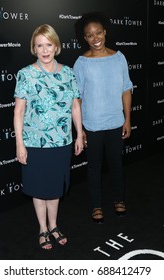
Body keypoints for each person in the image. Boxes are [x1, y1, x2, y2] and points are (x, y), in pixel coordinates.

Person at [13, 24, 83, 249]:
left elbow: (75, 107)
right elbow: (19, 112)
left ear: (56, 46)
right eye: (39, 45)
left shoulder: (68, 72)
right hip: (35, 143)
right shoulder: (26, 74)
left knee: (54, 188)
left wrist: (80, 134)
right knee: (38, 188)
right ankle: (42, 228)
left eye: (48, 44)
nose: (45, 50)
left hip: (62, 142)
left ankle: (53, 225)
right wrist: (20, 145)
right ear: (34, 48)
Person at [73, 12, 133, 224]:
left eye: (98, 32)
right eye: (90, 35)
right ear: (85, 38)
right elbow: (76, 99)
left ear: (105, 32)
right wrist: (81, 130)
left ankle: (119, 199)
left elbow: (126, 89)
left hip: (116, 122)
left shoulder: (119, 57)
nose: (95, 37)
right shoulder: (81, 63)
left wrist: (127, 119)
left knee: (116, 164)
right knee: (94, 167)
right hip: (93, 125)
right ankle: (96, 205)